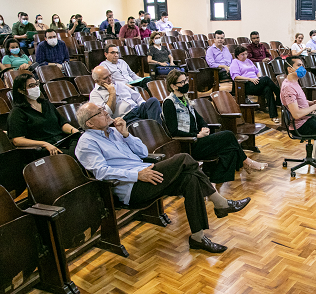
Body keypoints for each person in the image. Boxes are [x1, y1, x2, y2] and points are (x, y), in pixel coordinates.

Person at [75, 102, 251, 253]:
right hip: (131, 187)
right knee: (184, 158)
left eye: (103, 109)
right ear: (89, 123)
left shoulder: (114, 132)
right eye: (100, 112)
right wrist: (136, 174)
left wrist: (126, 134)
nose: (106, 112)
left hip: (148, 173)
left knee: (190, 179)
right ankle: (220, 203)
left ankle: (197, 237)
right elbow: (101, 172)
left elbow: (143, 152)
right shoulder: (86, 143)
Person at [162, 70, 268, 184]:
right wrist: (197, 135)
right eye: (181, 82)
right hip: (188, 144)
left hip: (199, 139)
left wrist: (204, 127)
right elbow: (173, 131)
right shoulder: (169, 103)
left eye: (186, 80)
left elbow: (199, 118)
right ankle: (246, 162)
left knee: (230, 148)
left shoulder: (184, 99)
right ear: (173, 86)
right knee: (228, 136)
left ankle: (217, 179)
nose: (185, 84)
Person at [7, 74, 80, 158]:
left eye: (36, 84)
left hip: (61, 140)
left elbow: (62, 124)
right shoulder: (17, 112)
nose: (35, 87)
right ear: (21, 90)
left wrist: (75, 132)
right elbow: (17, 140)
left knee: (84, 141)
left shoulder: (46, 104)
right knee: (77, 155)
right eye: (31, 86)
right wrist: (44, 144)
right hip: (41, 147)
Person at [89, 66, 162, 125]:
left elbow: (137, 97)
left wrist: (144, 108)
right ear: (96, 81)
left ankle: (157, 128)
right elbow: (107, 113)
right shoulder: (95, 94)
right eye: (105, 78)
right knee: (140, 124)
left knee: (153, 101)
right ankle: (154, 130)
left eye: (110, 75)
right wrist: (112, 94)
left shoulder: (119, 84)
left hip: (137, 109)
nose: (110, 79)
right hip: (125, 117)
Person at [231, 46, 280, 123]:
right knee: (266, 79)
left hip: (256, 82)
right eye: (242, 54)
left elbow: (257, 71)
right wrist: (250, 79)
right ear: (237, 55)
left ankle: (274, 115)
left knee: (268, 89)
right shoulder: (235, 62)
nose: (245, 56)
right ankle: (279, 95)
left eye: (246, 54)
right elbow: (236, 77)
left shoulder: (249, 61)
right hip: (246, 84)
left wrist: (259, 79)